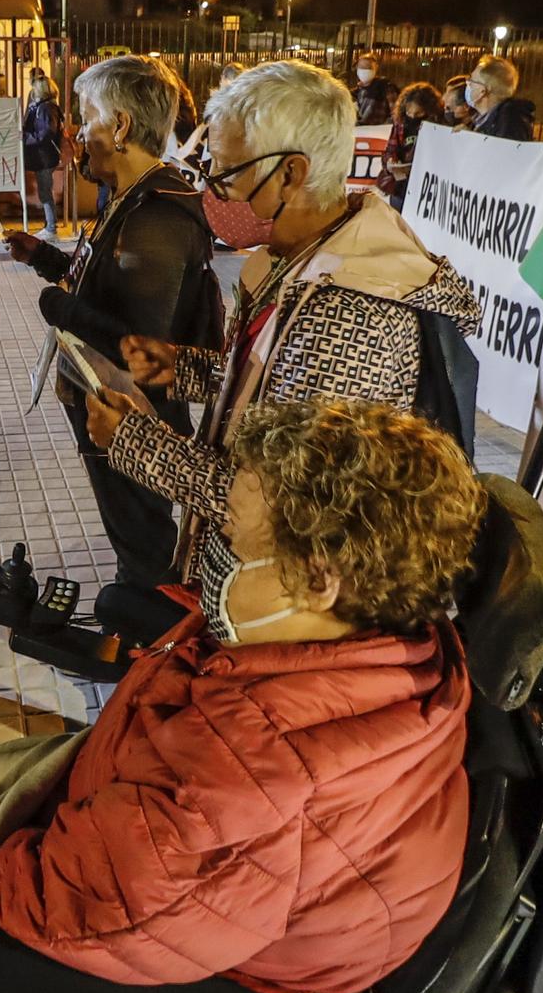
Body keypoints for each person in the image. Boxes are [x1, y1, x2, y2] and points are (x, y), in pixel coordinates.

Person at [0, 399, 483, 993]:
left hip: (183, 973)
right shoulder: (394, 653)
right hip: (191, 892)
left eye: (239, 543)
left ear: (322, 578)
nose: (219, 560)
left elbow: (72, 906)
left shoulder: (244, 772)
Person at [87, 60, 482, 640]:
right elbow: (276, 385)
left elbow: (276, 506)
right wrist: (187, 368)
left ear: (291, 174)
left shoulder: (351, 310)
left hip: (293, 612)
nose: (207, 187)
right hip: (259, 587)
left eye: (223, 171)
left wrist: (134, 442)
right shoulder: (303, 258)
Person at [3, 56, 222, 623]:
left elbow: (138, 341)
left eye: (87, 117)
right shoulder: (131, 196)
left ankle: (152, 632)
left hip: (133, 408)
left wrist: (60, 308)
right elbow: (106, 283)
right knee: (128, 522)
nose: (76, 132)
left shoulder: (158, 214)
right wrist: (46, 259)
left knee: (139, 529)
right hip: (105, 398)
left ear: (120, 127)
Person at [378, 80, 445, 210]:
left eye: (419, 114)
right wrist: (391, 162)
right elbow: (390, 150)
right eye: (409, 113)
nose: (413, 117)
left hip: (423, 187)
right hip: (400, 186)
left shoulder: (436, 127)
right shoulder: (400, 123)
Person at [19, 71, 63, 236]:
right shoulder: (43, 107)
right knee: (44, 191)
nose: (32, 91)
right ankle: (49, 225)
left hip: (45, 157)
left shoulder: (45, 108)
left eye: (35, 88)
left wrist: (25, 137)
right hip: (43, 156)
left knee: (45, 192)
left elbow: (45, 134)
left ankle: (51, 228)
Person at [463, 54, 535, 141]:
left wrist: (473, 139)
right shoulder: (480, 120)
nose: (468, 83)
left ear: (482, 91)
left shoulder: (510, 123)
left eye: (471, 80)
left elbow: (498, 152)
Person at [352, 52, 395, 123]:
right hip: (360, 129)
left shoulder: (386, 87)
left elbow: (395, 111)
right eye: (361, 67)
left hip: (378, 131)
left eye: (368, 67)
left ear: (376, 68)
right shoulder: (359, 90)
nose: (364, 70)